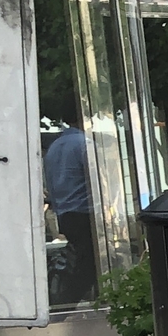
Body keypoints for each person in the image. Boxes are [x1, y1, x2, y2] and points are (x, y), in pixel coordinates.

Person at [42, 123, 96, 303]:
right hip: (85, 212)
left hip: (65, 214)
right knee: (91, 264)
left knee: (79, 260)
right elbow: (96, 179)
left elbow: (50, 183)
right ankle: (67, 303)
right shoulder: (84, 143)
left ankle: (66, 299)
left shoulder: (54, 147)